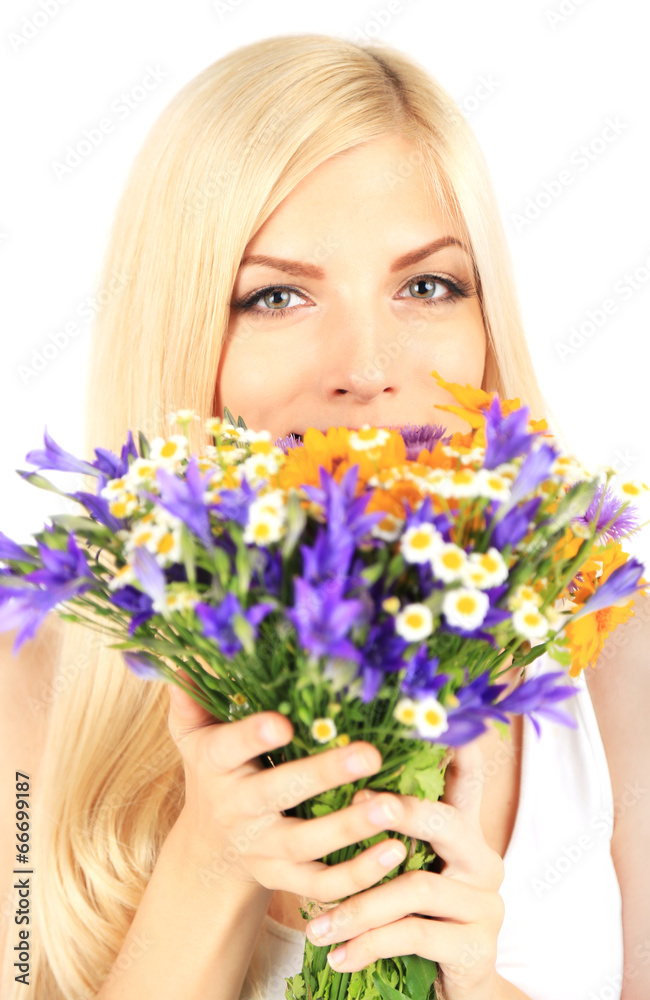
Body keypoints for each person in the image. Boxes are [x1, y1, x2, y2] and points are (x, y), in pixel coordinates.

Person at [1, 32, 647, 1000]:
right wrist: (213, 856)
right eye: (275, 295)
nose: (367, 367)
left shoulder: (613, 643)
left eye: (426, 285)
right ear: (183, 339)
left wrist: (469, 980)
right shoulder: (33, 673)